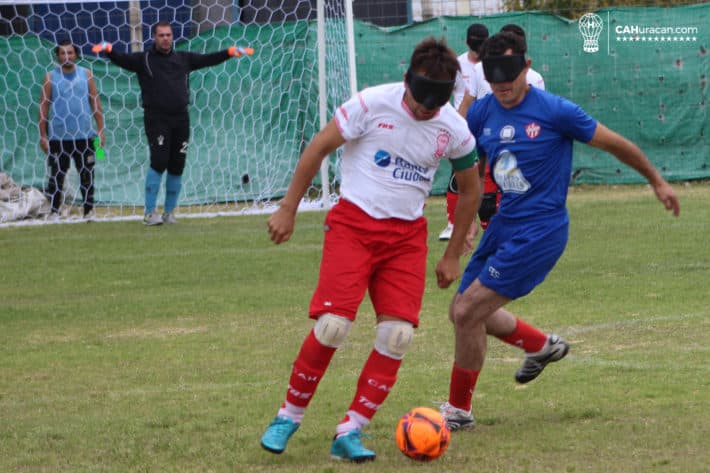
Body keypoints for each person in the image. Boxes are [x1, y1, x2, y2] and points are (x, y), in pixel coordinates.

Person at [439, 32, 680, 431]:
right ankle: (541, 346)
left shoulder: (555, 111)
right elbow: (471, 176)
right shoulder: (482, 113)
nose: (502, 84)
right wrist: (463, 228)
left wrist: (656, 179)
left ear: (527, 68)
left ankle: (459, 413)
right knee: (461, 312)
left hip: (541, 231)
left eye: (510, 74)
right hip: (503, 224)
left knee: (467, 312)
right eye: (494, 75)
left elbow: (615, 144)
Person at [260, 37, 481, 462]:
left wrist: (453, 252)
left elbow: (470, 191)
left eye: (433, 104)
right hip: (353, 227)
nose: (422, 110)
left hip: (406, 240)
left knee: (397, 335)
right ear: (406, 81)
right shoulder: (370, 103)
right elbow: (318, 149)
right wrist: (288, 209)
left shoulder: (453, 127)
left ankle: (351, 430)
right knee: (333, 326)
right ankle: (288, 415)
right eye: (418, 99)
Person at [92, 22, 250, 225]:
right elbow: (123, 59)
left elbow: (207, 59)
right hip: (157, 119)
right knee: (159, 161)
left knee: (177, 165)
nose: (165, 38)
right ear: (154, 37)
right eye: (161, 35)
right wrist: (109, 50)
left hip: (181, 119)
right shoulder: (145, 60)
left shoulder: (183, 58)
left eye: (168, 35)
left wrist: (229, 52)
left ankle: (169, 213)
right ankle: (149, 213)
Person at [441, 23, 546, 241]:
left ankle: (518, 233)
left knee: (516, 195)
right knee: (479, 195)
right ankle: (464, 227)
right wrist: (458, 132)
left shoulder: (535, 78)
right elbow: (469, 102)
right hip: (486, 141)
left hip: (520, 147)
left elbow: (540, 117)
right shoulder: (480, 70)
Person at [38, 39, 105, 220]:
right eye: (62, 53)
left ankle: (89, 210)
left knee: (87, 173)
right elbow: (44, 107)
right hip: (59, 137)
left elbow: (95, 102)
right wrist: (43, 136)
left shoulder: (86, 74)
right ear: (58, 56)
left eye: (70, 52)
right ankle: (54, 211)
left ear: (76, 55)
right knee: (57, 175)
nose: (67, 56)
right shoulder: (50, 77)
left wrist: (101, 131)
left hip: (85, 136)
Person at [438, 23, 488, 242]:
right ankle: (453, 223)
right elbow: (452, 97)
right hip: (462, 129)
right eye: (475, 44)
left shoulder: (492, 66)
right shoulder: (456, 65)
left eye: (482, 45)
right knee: (458, 177)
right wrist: (453, 125)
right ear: (467, 42)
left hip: (487, 129)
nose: (478, 50)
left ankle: (488, 221)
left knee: (486, 177)